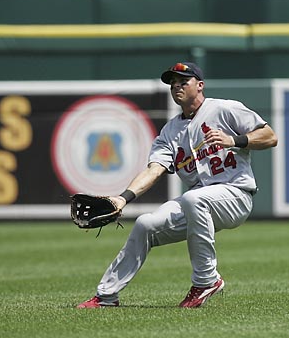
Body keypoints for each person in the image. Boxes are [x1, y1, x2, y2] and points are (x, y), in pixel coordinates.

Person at [77, 62, 278, 309]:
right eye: (173, 83)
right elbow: (154, 170)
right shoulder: (170, 132)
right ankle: (106, 296)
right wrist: (123, 198)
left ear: (200, 85)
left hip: (236, 193)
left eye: (183, 81)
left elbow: (270, 136)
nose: (176, 86)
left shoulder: (224, 109)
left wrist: (235, 139)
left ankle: (206, 280)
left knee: (196, 199)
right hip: (199, 202)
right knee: (145, 225)